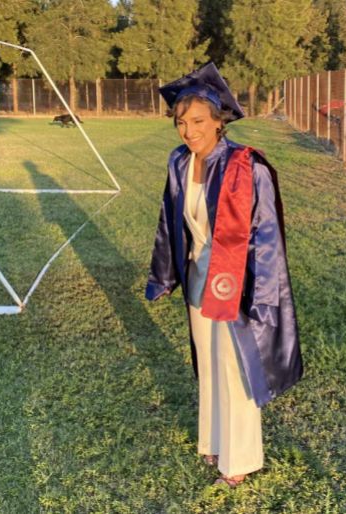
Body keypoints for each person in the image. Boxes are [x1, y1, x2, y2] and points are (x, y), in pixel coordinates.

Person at [145, 63, 302, 488]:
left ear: (220, 120)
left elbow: (267, 236)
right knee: (210, 367)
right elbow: (169, 223)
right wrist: (163, 275)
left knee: (235, 372)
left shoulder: (246, 167)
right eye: (181, 122)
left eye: (197, 121)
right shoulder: (180, 163)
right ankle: (214, 441)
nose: (188, 130)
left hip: (238, 287)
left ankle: (240, 462)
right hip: (199, 280)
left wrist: (264, 296)